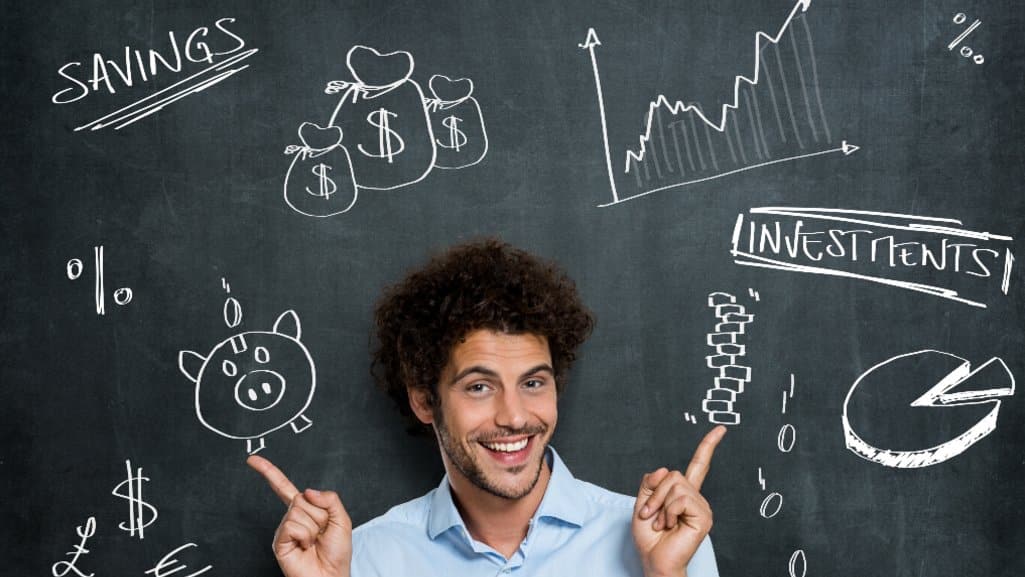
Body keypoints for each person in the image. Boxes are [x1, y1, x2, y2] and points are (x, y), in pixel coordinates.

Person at [248, 238, 726, 577]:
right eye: (479, 387)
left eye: (534, 382)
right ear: (423, 399)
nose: (515, 416)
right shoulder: (362, 561)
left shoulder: (667, 544)